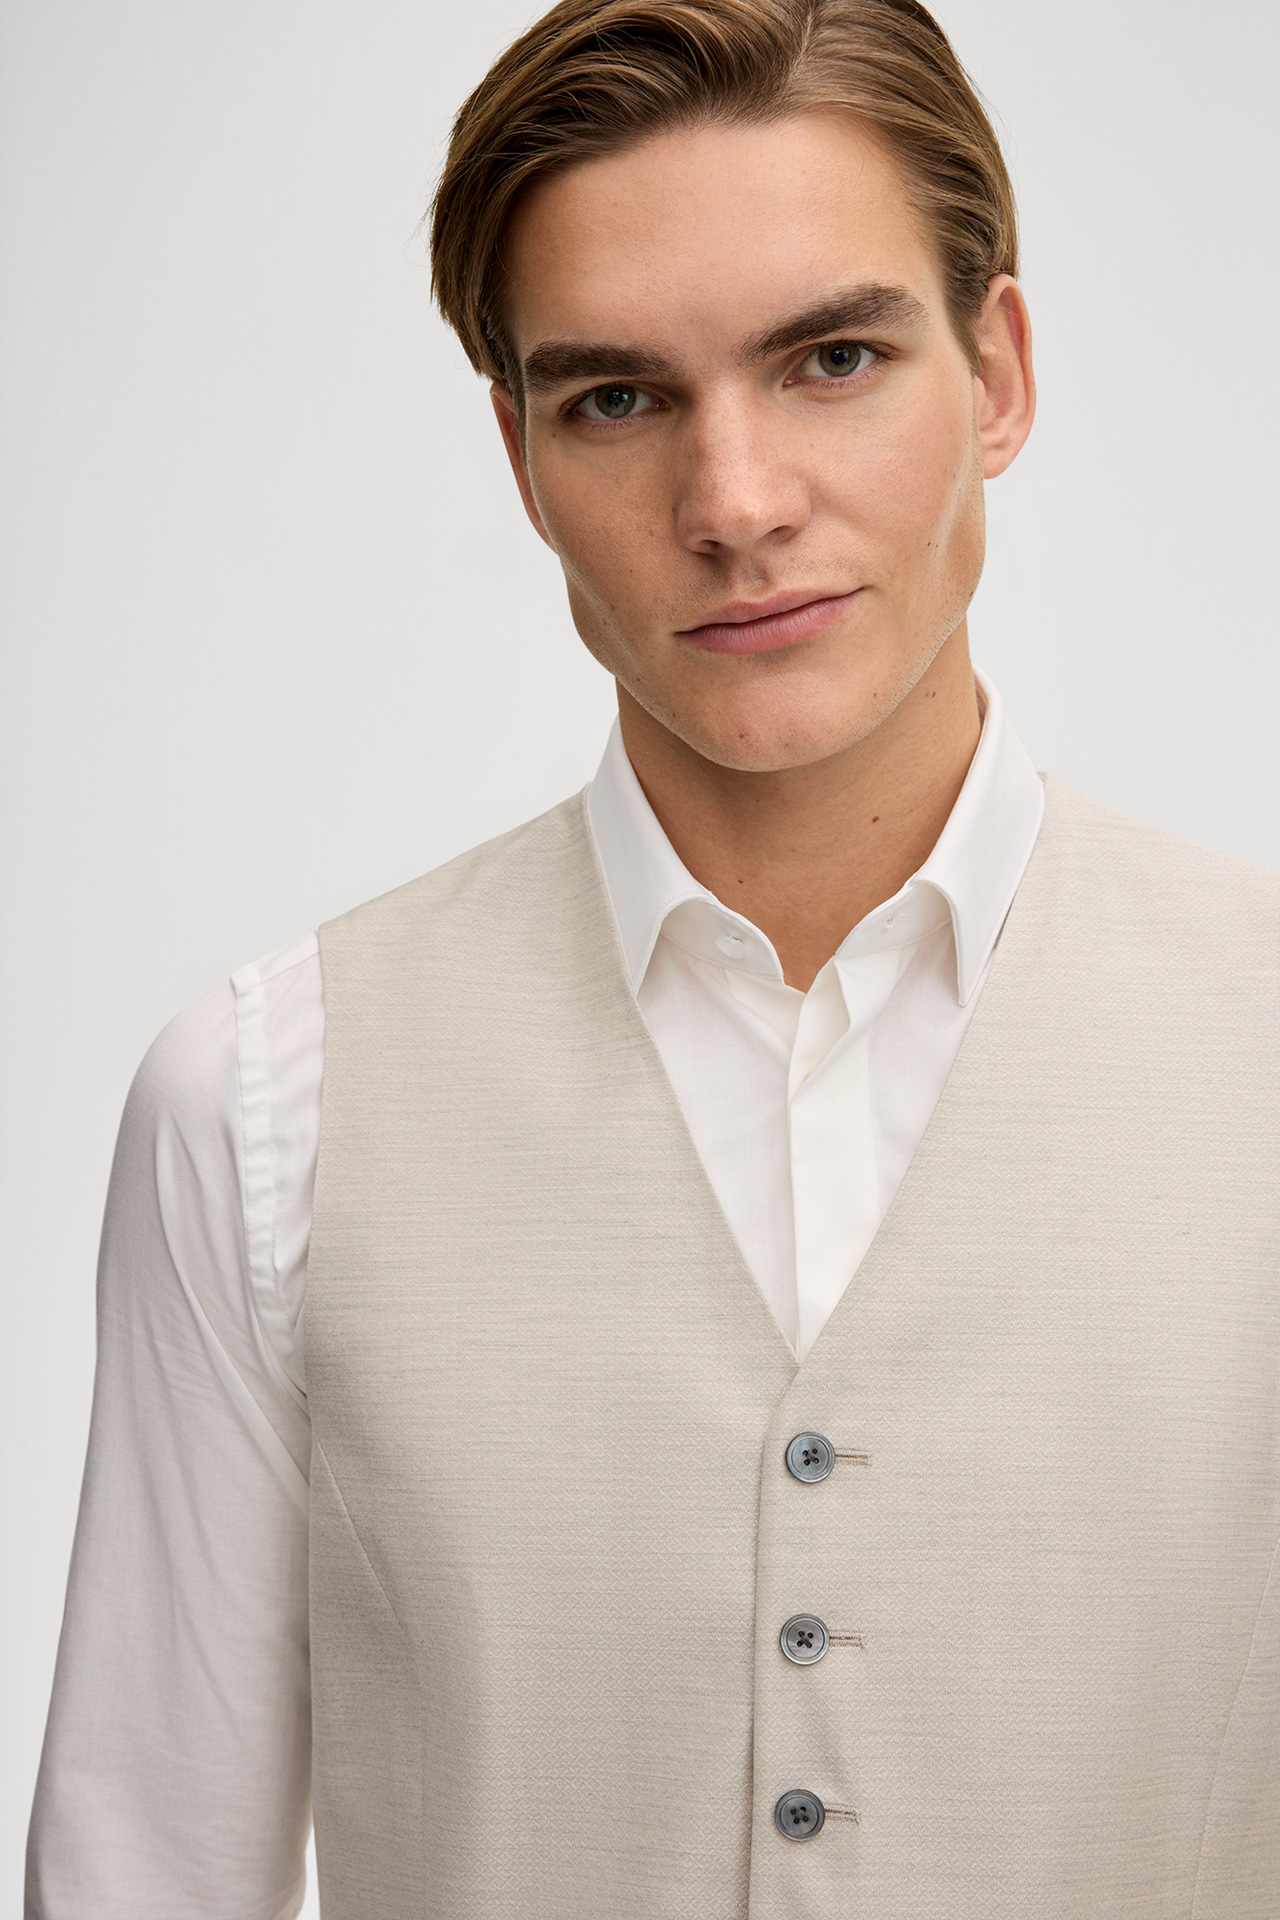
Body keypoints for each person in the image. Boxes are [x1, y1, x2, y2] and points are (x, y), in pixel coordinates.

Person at [25, 0, 1279, 1913]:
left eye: (834, 359)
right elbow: (146, 1872)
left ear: (999, 376)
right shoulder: (272, 1100)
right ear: (522, 459)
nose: (735, 504)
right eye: (617, 399)